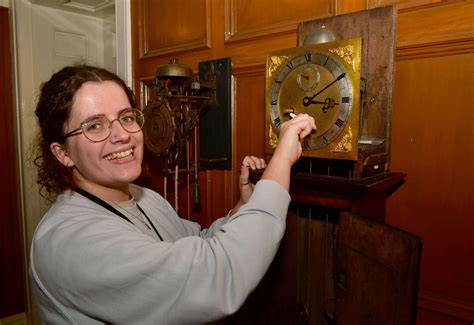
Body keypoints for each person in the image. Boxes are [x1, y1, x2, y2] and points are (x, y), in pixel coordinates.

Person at [30, 64, 316, 324]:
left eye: (126, 117)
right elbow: (215, 276)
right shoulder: (70, 241)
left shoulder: (143, 197)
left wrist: (245, 204)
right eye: (95, 125)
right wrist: (281, 162)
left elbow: (200, 242)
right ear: (63, 153)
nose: (121, 135)